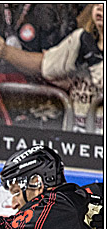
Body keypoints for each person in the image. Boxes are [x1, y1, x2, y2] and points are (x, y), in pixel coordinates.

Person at [40, 3, 104, 134]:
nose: (100, 7)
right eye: (97, 3)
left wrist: (95, 59)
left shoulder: (89, 49)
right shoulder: (82, 41)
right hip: (75, 130)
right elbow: (47, 69)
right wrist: (79, 43)